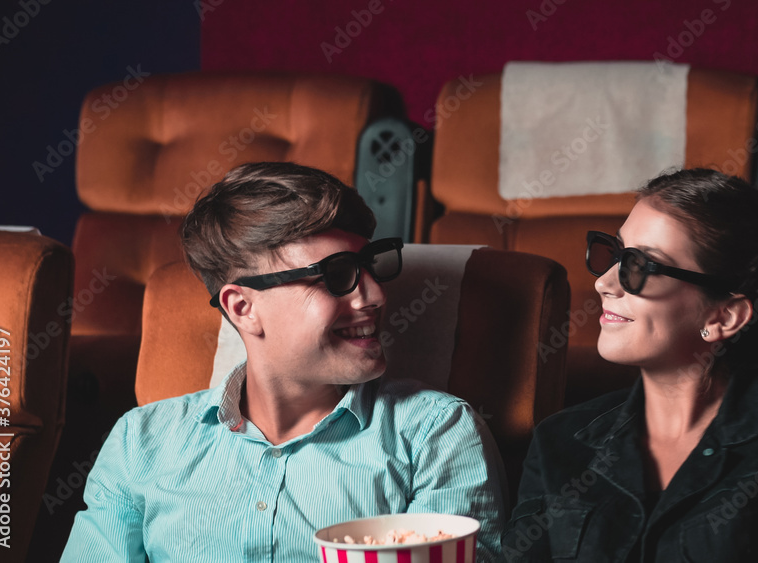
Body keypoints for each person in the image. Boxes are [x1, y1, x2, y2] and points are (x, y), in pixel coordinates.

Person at [63, 162, 506, 561]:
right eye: (336, 276)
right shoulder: (141, 442)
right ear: (241, 308)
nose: (374, 295)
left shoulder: (434, 434)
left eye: (368, 266)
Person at [500, 168, 758, 562]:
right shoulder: (560, 440)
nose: (605, 282)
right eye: (616, 255)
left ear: (722, 317)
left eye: (642, 266)